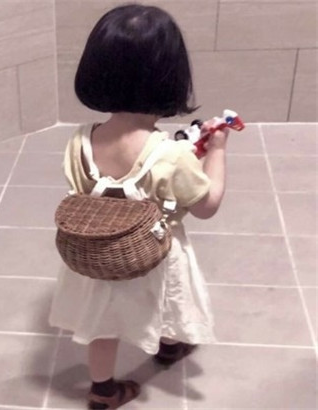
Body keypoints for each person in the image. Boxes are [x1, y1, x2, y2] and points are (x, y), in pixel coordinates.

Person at [49, 4, 229, 409]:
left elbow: (94, 187)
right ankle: (168, 346)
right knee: (165, 301)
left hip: (98, 257)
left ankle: (102, 390)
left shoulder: (79, 140)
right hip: (152, 255)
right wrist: (216, 151)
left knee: (102, 325)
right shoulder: (171, 155)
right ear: (172, 76)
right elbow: (207, 205)